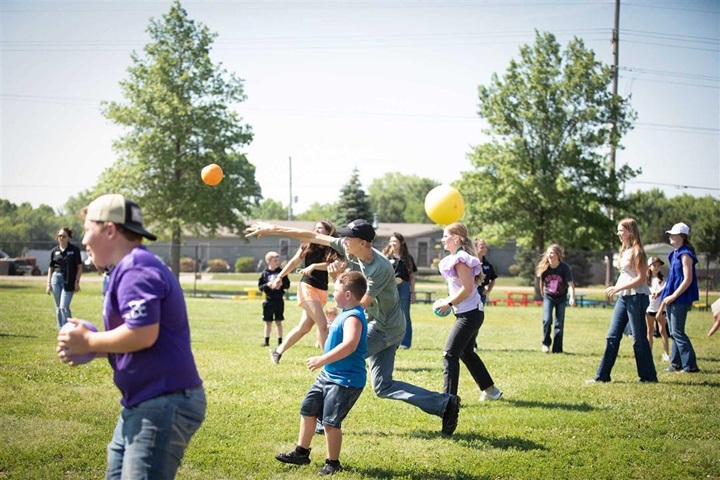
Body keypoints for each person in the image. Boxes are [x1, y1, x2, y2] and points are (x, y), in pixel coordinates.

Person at [246, 219, 461, 436]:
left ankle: (325, 418)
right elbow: (312, 236)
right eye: (344, 236)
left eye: (350, 237)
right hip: (385, 324)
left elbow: (358, 307)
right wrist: (273, 229)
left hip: (386, 327)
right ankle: (445, 404)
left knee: (341, 359)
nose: (344, 240)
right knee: (383, 386)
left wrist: (335, 303)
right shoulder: (350, 249)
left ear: (365, 243)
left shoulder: (380, 268)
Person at [56, 194, 206, 479]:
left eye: (89, 229)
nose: (84, 239)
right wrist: (92, 347)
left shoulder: (136, 266)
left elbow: (143, 333)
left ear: (109, 229)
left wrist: (88, 342)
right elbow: (143, 338)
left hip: (163, 400)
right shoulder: (129, 267)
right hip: (144, 400)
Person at [275, 271, 368, 477]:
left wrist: (322, 359)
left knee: (330, 422)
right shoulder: (344, 312)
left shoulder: (354, 317)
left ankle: (333, 463)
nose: (333, 294)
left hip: (345, 380)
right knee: (308, 410)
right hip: (328, 376)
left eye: (336, 291)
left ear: (348, 295)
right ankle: (301, 452)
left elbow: (350, 345)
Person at [435, 223, 502, 402]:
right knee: (467, 353)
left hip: (469, 316)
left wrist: (449, 303)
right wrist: (447, 300)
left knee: (450, 354)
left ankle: (448, 400)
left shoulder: (461, 259)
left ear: (456, 238)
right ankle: (491, 391)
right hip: (471, 314)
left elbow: (467, 288)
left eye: (445, 236)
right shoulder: (458, 257)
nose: (443, 239)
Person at [588, 218, 657, 383]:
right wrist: (619, 289)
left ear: (630, 232)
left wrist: (617, 288)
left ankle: (648, 377)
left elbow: (641, 279)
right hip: (624, 297)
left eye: (621, 230)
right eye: (618, 230)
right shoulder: (625, 250)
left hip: (637, 297)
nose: (618, 233)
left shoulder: (638, 251)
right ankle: (602, 376)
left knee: (638, 338)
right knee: (612, 336)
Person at [267, 220, 340, 364]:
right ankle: (328, 361)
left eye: (321, 228)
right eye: (316, 227)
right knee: (323, 324)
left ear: (328, 232)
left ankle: (277, 352)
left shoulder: (331, 247)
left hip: (322, 289)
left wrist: (314, 265)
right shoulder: (307, 244)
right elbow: (294, 262)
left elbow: (332, 265)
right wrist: (280, 276)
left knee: (304, 327)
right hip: (307, 286)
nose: (317, 230)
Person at [659, 222, 700, 373]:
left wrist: (674, 295)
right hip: (672, 297)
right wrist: (663, 292)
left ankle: (690, 365)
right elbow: (673, 278)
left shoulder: (685, 254)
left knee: (677, 332)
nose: (670, 236)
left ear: (681, 236)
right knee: (674, 331)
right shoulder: (675, 253)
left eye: (673, 234)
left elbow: (687, 279)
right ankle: (675, 364)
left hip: (680, 299)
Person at [535, 244, 576, 354]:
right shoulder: (545, 267)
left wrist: (572, 297)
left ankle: (557, 349)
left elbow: (571, 284)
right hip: (549, 296)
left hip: (561, 297)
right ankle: (546, 343)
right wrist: (543, 293)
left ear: (558, 255)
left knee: (559, 323)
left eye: (552, 253)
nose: (549, 255)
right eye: (548, 253)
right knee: (547, 320)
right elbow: (542, 282)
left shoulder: (564, 267)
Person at [382, 232, 417, 349]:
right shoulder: (385, 256)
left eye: (395, 241)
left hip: (404, 287)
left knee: (404, 314)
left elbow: (412, 276)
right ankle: (390, 340)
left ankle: (405, 343)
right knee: (388, 313)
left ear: (401, 243)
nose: (393, 244)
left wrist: (413, 292)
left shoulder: (407, 258)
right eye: (391, 241)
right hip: (389, 287)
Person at [47, 227, 83, 328]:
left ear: (68, 237)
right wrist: (48, 284)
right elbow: (51, 268)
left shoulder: (74, 250)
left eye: (64, 236)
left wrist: (77, 282)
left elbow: (79, 267)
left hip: (69, 280)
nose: (61, 238)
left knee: (64, 307)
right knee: (58, 307)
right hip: (55, 280)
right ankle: (61, 330)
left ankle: (70, 330)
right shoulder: (54, 251)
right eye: (60, 236)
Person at [258, 251, 289, 347]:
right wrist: (267, 285)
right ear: (268, 261)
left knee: (279, 321)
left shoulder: (282, 272)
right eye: (275, 260)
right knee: (268, 322)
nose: (277, 262)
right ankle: (266, 341)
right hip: (269, 301)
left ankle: (280, 341)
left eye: (278, 260)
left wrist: (281, 284)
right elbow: (260, 287)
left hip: (279, 300)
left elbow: (287, 285)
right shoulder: (264, 274)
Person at [645, 256, 670, 362]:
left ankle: (666, 354)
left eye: (658, 265)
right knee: (649, 331)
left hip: (660, 309)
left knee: (662, 331)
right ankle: (648, 353)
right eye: (654, 265)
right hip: (649, 309)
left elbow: (664, 292)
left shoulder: (663, 279)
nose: (656, 267)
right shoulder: (645, 280)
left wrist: (658, 293)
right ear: (649, 266)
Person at [474, 237, 497, 306]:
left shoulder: (488, 264)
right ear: (475, 248)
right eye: (481, 247)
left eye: (485, 247)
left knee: (480, 313)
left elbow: (493, 279)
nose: (484, 249)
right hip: (471, 291)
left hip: (481, 292)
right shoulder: (470, 263)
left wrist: (488, 291)